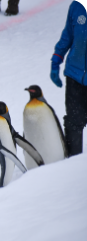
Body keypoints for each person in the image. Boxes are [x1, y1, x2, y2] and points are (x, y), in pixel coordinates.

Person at [50, 0, 87, 157]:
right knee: (73, 122)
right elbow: (68, 35)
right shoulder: (76, 6)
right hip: (75, 75)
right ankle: (72, 163)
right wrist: (56, 60)